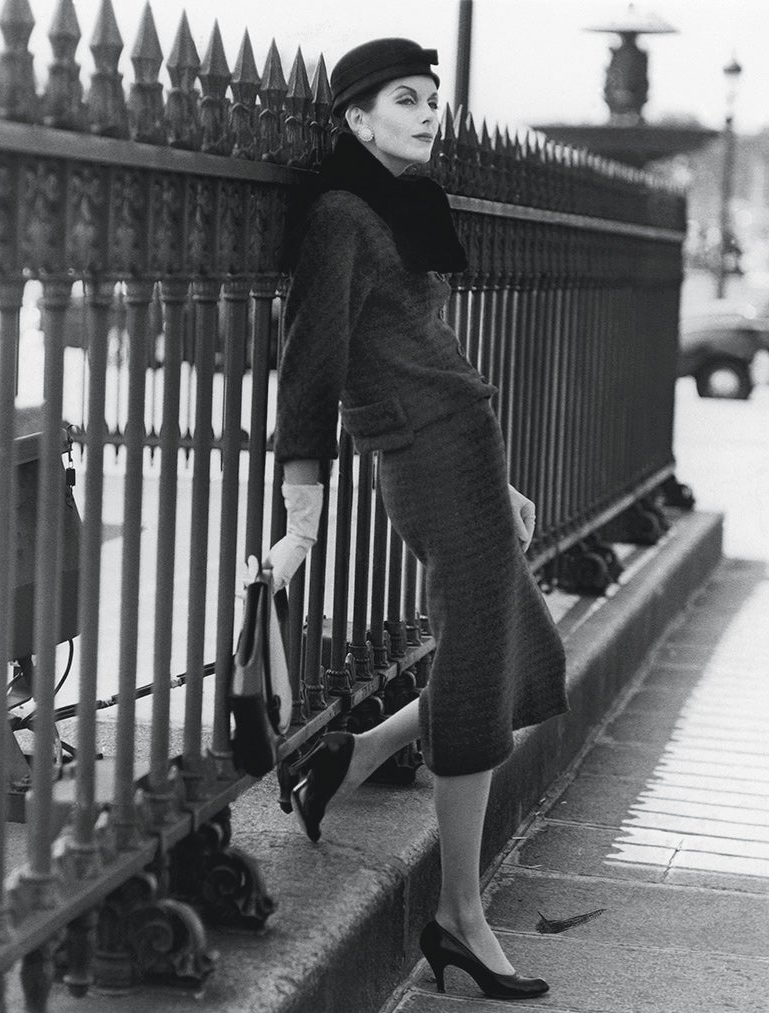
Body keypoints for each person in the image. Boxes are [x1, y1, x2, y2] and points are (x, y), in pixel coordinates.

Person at [263, 38, 568, 1002]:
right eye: (406, 99)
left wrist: (503, 477)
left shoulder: (396, 206)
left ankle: (361, 750)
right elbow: (311, 361)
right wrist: (302, 512)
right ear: (357, 119)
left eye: (432, 99)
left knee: (527, 653)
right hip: (428, 460)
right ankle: (460, 917)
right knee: (480, 678)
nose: (430, 112)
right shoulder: (343, 215)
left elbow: (424, 345)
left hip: (465, 454)